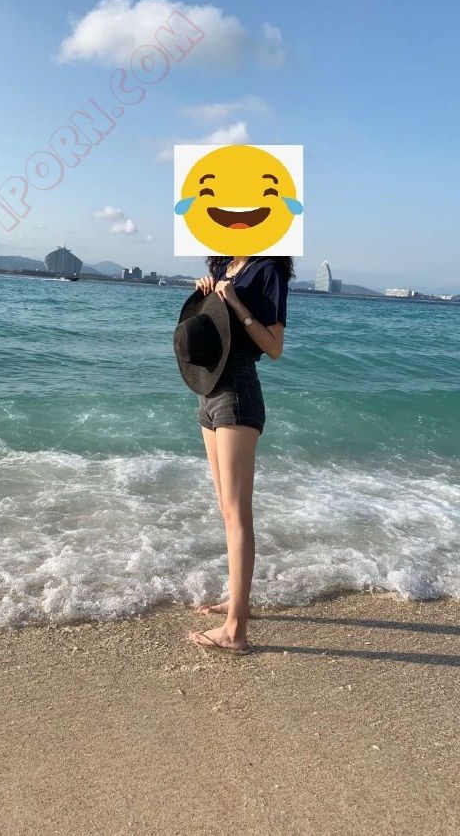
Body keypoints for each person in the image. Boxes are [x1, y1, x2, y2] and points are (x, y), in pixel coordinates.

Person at [185, 255, 293, 653]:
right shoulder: (222, 267)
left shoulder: (268, 271)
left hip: (237, 391)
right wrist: (207, 294)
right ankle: (238, 602)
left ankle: (235, 630)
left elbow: (275, 348)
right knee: (224, 507)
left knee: (237, 513)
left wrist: (235, 302)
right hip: (208, 388)